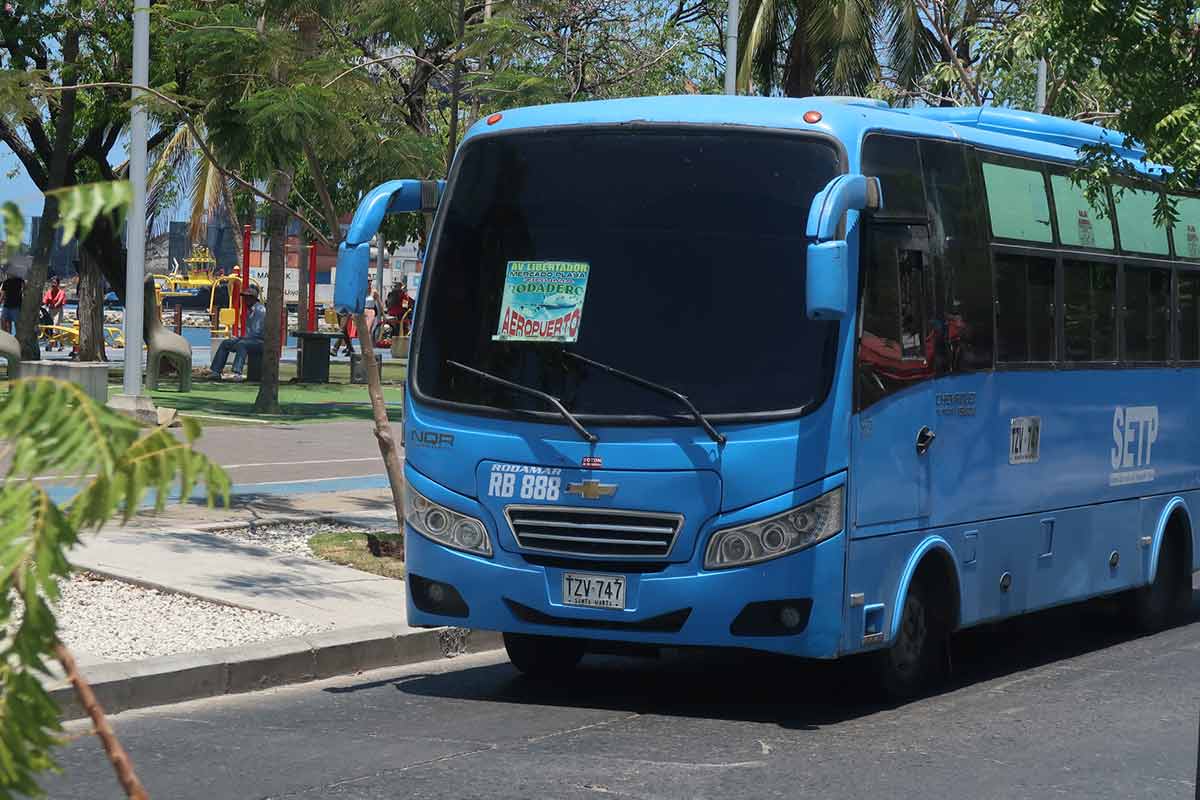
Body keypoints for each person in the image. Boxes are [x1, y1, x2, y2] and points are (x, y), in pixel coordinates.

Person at [209, 284, 266, 380]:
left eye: (247, 298)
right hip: (251, 340)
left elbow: (257, 333)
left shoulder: (260, 310)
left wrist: (240, 339)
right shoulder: (249, 310)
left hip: (260, 341)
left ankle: (237, 373)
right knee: (226, 343)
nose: (244, 300)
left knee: (242, 344)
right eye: (244, 297)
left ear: (253, 298)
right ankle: (216, 371)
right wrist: (238, 338)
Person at [42, 275, 66, 349]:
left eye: (55, 283)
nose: (53, 285)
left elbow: (60, 301)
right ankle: (56, 343)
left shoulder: (61, 292)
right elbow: (44, 300)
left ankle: (54, 344)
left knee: (56, 325)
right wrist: (42, 304)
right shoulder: (49, 292)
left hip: (58, 310)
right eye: (52, 283)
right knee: (50, 326)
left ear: (58, 284)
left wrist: (55, 304)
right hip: (50, 310)